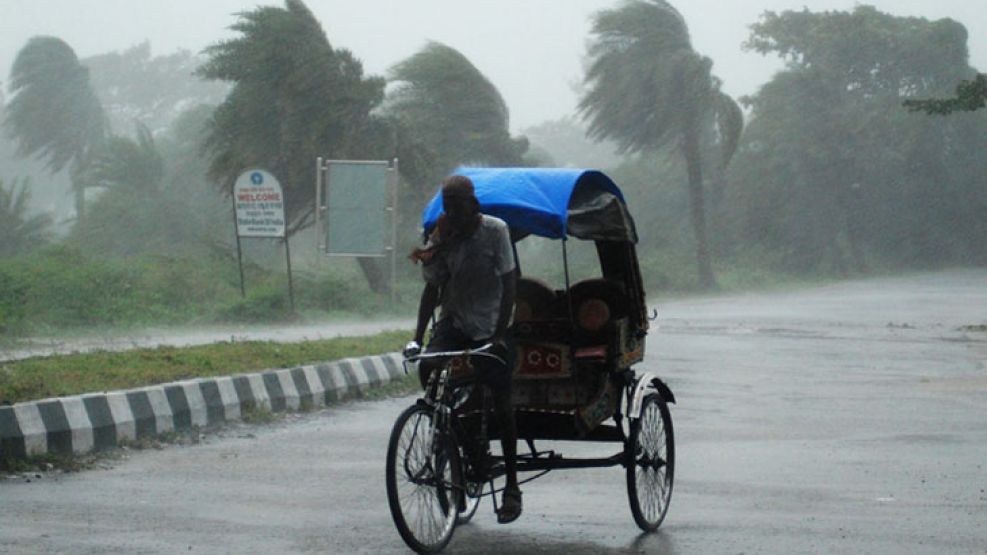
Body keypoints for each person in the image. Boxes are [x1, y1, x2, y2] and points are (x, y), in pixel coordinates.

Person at [405, 174, 522, 524]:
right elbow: (432, 290)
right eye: (447, 205)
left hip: (490, 325)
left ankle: (512, 487)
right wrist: (417, 336)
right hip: (454, 322)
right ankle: (455, 437)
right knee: (428, 367)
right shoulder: (442, 236)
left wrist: (500, 334)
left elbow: (510, 281)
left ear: (473, 205)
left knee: (500, 396)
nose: (451, 211)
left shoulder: (495, 231)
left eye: (457, 204)